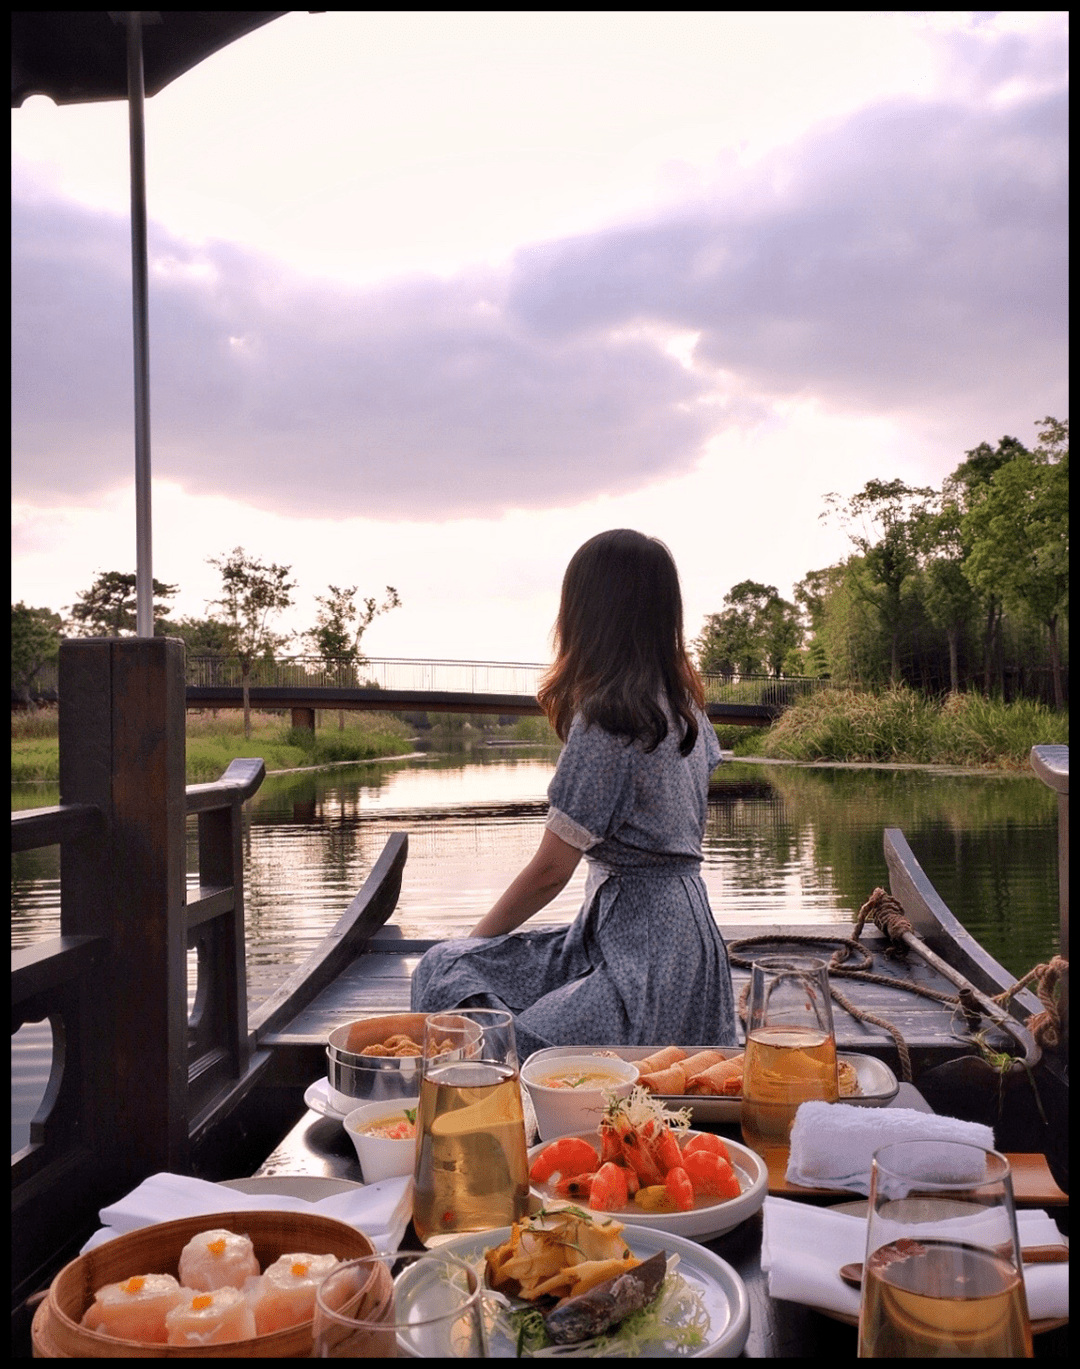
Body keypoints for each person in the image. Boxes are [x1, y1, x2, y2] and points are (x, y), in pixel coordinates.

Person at [410, 528, 738, 1056]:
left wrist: (473, 943)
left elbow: (550, 872)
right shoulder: (687, 711)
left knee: (459, 981)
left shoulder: (611, 720)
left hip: (643, 963)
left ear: (587, 614)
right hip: (688, 950)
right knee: (460, 971)